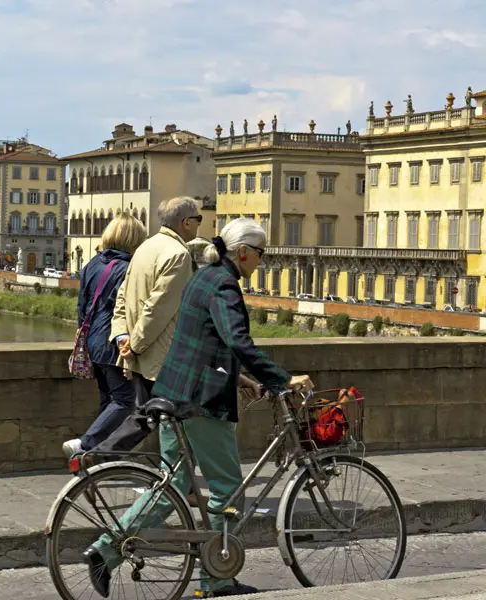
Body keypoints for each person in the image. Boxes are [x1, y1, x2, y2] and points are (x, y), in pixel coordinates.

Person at [83, 217, 314, 598]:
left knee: (171, 486)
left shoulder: (203, 277)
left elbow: (204, 342)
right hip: (201, 402)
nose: (262, 260)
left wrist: (244, 381)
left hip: (173, 391)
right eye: (261, 253)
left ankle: (106, 550)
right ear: (244, 252)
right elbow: (236, 340)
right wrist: (282, 379)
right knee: (227, 490)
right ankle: (217, 581)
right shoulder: (224, 284)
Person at [91, 197, 202, 500]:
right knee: (177, 420)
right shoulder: (178, 254)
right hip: (162, 357)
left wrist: (122, 338)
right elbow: (158, 309)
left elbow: (122, 299)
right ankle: (177, 489)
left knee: (148, 417)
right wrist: (135, 346)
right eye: (199, 219)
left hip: (141, 353)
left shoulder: (144, 248)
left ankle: (96, 458)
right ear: (186, 222)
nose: (199, 224)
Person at [62, 213, 147, 457]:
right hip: (113, 342)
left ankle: (100, 459)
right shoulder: (128, 269)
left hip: (92, 341)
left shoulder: (92, 264)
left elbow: (82, 307)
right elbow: (129, 310)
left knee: (108, 400)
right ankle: (85, 445)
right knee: (124, 400)